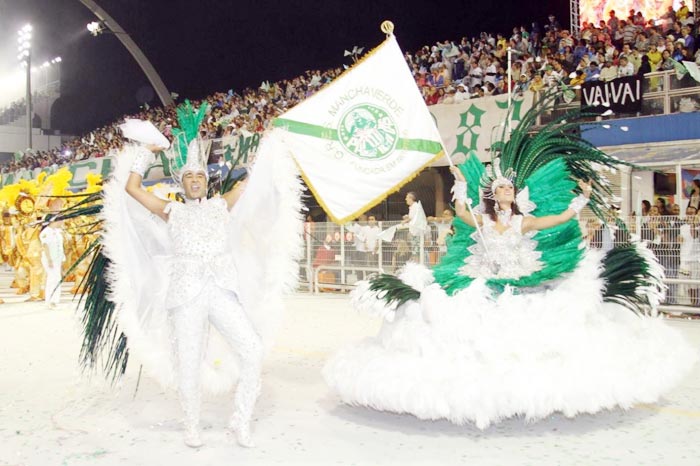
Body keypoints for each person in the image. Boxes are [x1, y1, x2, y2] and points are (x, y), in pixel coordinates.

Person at [324, 98, 696, 431]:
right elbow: (462, 214)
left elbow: (560, 219)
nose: (506, 193)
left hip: (520, 279)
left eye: (510, 190)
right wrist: (456, 187)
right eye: (501, 189)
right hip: (484, 279)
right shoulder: (485, 222)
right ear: (493, 194)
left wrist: (581, 200)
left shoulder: (523, 221)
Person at [39, 200, 65, 309]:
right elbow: (45, 246)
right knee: (51, 279)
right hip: (50, 259)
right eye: (59, 220)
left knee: (57, 278)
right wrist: (49, 259)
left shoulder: (58, 232)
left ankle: (55, 301)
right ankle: (49, 300)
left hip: (57, 258)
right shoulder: (46, 232)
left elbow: (60, 246)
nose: (61, 222)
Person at [400, 191, 428, 261]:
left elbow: (412, 218)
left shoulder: (415, 206)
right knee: (415, 250)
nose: (405, 199)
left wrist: (405, 221)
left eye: (407, 197)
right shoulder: (413, 207)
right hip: (414, 232)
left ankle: (417, 265)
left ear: (411, 198)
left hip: (416, 233)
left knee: (416, 251)